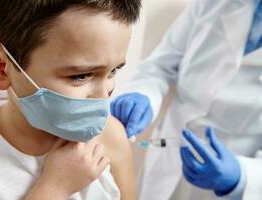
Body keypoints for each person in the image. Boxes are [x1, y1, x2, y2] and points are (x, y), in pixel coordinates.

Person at [0, 0, 141, 199]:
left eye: (113, 70)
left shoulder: (111, 136)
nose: (104, 97)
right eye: (80, 76)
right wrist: (54, 189)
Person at [111, 0, 262, 199]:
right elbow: (159, 66)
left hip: (225, 184)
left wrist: (242, 177)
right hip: (165, 162)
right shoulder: (216, 4)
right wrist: (142, 92)